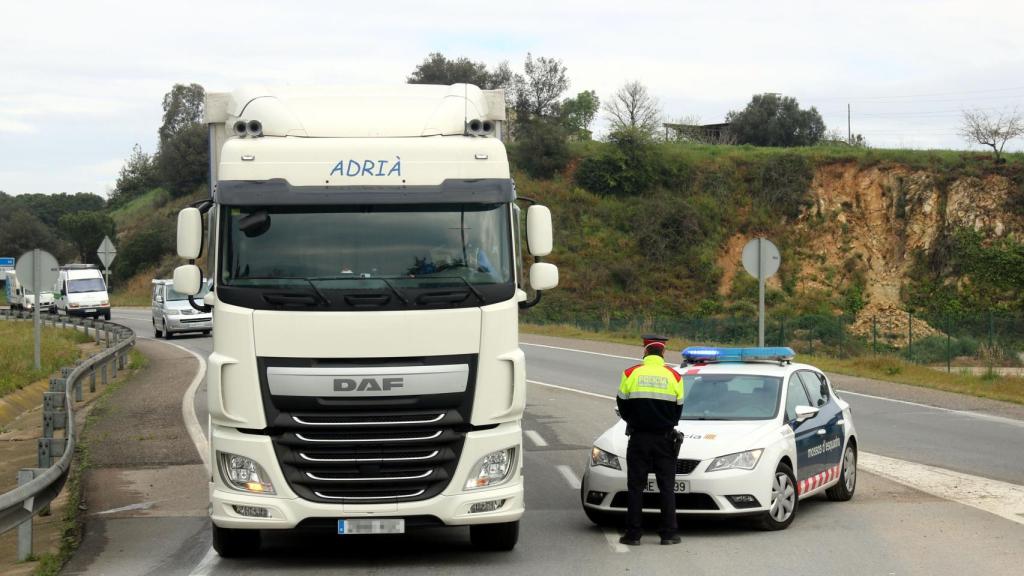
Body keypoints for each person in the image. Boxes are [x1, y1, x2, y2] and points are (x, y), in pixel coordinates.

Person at [616, 334, 685, 546]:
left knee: (636, 487)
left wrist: (636, 421)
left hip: (638, 438)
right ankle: (669, 534)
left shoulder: (630, 373)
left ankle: (633, 534)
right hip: (665, 440)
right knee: (667, 487)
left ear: (645, 351)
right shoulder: (674, 376)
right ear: (663, 353)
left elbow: (622, 405)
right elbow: (678, 410)